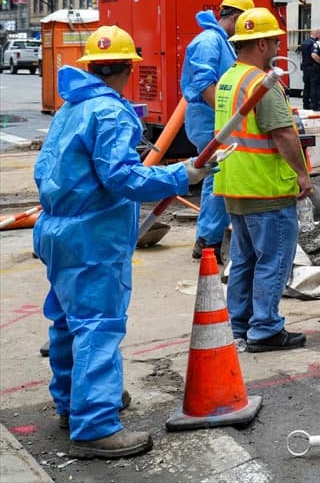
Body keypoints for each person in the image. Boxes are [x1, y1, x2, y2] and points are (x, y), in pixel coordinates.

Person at [35, 26, 211, 459]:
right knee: (98, 324)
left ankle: (72, 401)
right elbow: (121, 177)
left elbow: (47, 169)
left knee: (67, 321)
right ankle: (94, 423)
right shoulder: (110, 113)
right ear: (128, 69)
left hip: (58, 229)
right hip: (93, 235)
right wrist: (181, 175)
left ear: (91, 66)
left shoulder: (70, 108)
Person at [214, 8, 313, 353]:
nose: (276, 48)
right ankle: (266, 328)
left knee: (244, 259)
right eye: (272, 42)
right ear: (259, 44)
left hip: (235, 185)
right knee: (273, 259)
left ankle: (238, 324)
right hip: (265, 189)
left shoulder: (229, 78)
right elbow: (284, 136)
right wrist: (303, 173)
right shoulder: (262, 84)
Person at [181, 0, 253, 262]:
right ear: (234, 17)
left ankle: (210, 237)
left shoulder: (221, 41)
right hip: (210, 122)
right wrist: (227, 118)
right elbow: (204, 84)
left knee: (219, 177)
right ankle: (208, 241)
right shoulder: (210, 41)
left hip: (215, 120)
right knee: (217, 177)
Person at [299, 28, 320, 110]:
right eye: (319, 34)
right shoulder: (314, 43)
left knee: (306, 87)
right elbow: (314, 55)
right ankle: (315, 105)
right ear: (316, 34)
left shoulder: (304, 43)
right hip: (313, 69)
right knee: (314, 87)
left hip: (305, 68)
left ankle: (306, 104)